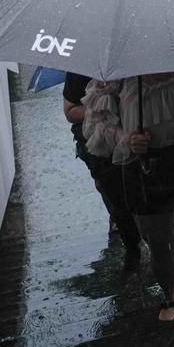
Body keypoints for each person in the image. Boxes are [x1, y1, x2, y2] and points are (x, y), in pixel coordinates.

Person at [83, 71, 174, 335]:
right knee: (162, 250)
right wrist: (127, 139)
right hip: (145, 171)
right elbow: (96, 125)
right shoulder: (117, 76)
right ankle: (169, 294)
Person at [63, 72, 142, 270]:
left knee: (141, 193)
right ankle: (134, 249)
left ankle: (154, 240)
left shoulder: (137, 64)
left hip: (136, 139)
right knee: (117, 199)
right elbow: (70, 112)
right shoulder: (80, 69)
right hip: (96, 144)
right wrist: (104, 107)